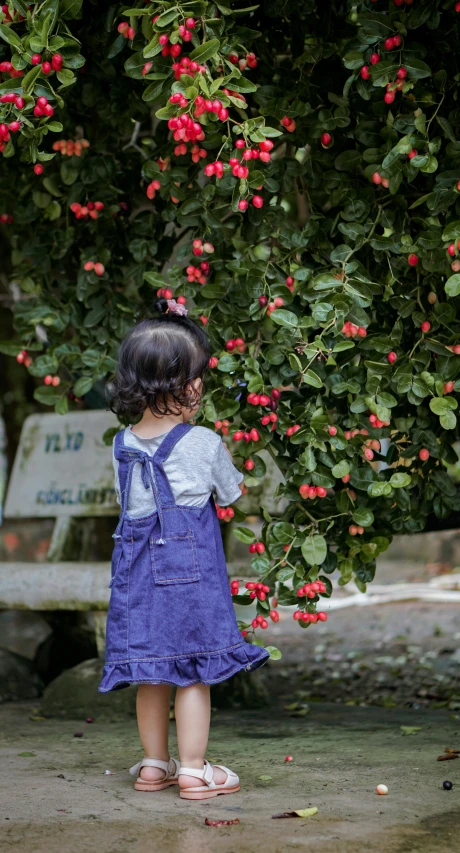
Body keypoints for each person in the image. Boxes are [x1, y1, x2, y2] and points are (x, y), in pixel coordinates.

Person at [99, 297, 269, 800]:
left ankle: (154, 765)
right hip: (191, 573)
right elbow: (233, 491)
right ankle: (194, 770)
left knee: (152, 667)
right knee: (194, 667)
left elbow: (126, 504)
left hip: (136, 573)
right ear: (186, 385)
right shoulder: (204, 443)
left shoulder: (121, 445)